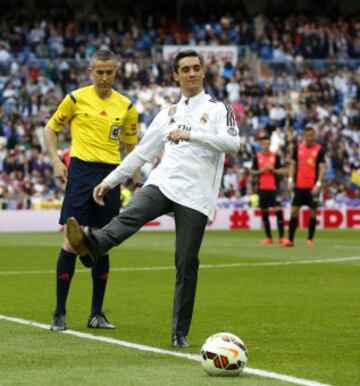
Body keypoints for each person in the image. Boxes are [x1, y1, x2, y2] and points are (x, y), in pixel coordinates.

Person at [65, 49, 241, 348]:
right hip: (163, 181)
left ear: (203, 72)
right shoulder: (168, 114)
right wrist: (109, 182)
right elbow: (142, 153)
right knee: (131, 214)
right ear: (176, 75)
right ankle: (92, 244)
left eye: (196, 68)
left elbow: (233, 144)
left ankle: (179, 332)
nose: (191, 73)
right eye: (184, 69)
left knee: (186, 262)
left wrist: (192, 135)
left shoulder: (217, 109)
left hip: (196, 194)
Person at [44, 49, 138, 331]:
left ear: (116, 72)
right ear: (90, 72)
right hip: (81, 172)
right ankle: (59, 314)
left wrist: (137, 181)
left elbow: (132, 148)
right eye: (100, 72)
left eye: (110, 72)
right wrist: (56, 162)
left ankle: (96, 314)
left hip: (111, 174)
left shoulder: (127, 106)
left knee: (102, 242)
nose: (105, 77)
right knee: (70, 242)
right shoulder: (75, 98)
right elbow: (50, 130)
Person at [282, 126, 326, 247]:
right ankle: (290, 240)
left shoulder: (319, 150)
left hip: (312, 187)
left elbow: (322, 168)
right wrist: (290, 180)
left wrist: (318, 184)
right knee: (294, 211)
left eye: (311, 135)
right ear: (304, 136)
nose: (309, 138)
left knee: (312, 213)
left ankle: (310, 240)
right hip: (300, 186)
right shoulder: (298, 148)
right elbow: (293, 165)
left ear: (314, 135)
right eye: (307, 135)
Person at [250, 135, 286, 245]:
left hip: (274, 188)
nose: (265, 146)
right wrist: (261, 171)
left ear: (270, 144)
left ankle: (281, 238)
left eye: (267, 143)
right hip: (262, 189)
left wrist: (273, 170)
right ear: (261, 145)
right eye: (264, 144)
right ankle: (269, 238)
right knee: (264, 212)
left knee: (278, 211)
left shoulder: (276, 156)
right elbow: (252, 172)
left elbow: (282, 171)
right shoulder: (257, 157)